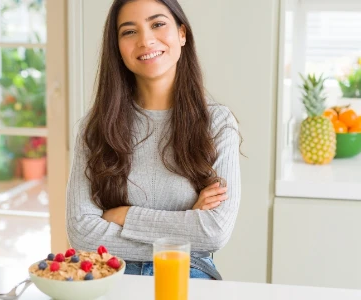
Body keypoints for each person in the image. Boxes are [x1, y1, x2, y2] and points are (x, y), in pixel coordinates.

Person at [66, 0, 241, 280]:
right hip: (111, 274)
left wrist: (123, 216)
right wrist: (184, 227)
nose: (146, 40)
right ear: (117, 46)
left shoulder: (217, 123)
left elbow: (214, 232)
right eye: (129, 31)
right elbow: (82, 234)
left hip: (188, 274)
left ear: (182, 34)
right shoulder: (95, 126)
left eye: (157, 24)